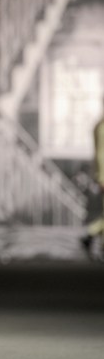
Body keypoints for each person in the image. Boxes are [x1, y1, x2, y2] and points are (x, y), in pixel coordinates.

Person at [80, 104, 104, 259]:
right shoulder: (101, 127)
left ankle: (90, 236)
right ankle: (91, 238)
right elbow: (101, 154)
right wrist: (101, 177)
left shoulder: (99, 125)